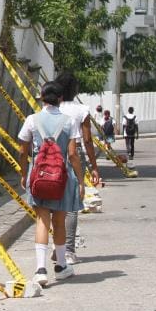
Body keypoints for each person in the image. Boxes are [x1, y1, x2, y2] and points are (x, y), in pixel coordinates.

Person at [18, 81, 87, 287]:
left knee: (41, 220)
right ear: (60, 99)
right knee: (59, 220)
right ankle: (61, 266)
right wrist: (81, 180)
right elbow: (73, 154)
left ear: (41, 97)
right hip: (62, 178)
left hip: (38, 176)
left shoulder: (32, 119)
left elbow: (22, 150)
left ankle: (40, 270)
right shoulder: (69, 122)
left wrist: (24, 174)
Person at [57, 72, 100, 265]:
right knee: (72, 205)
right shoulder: (82, 110)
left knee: (53, 205)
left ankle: (56, 247)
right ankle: (67, 250)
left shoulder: (51, 107)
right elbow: (88, 140)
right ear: (75, 90)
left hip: (50, 158)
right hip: (72, 157)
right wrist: (94, 166)